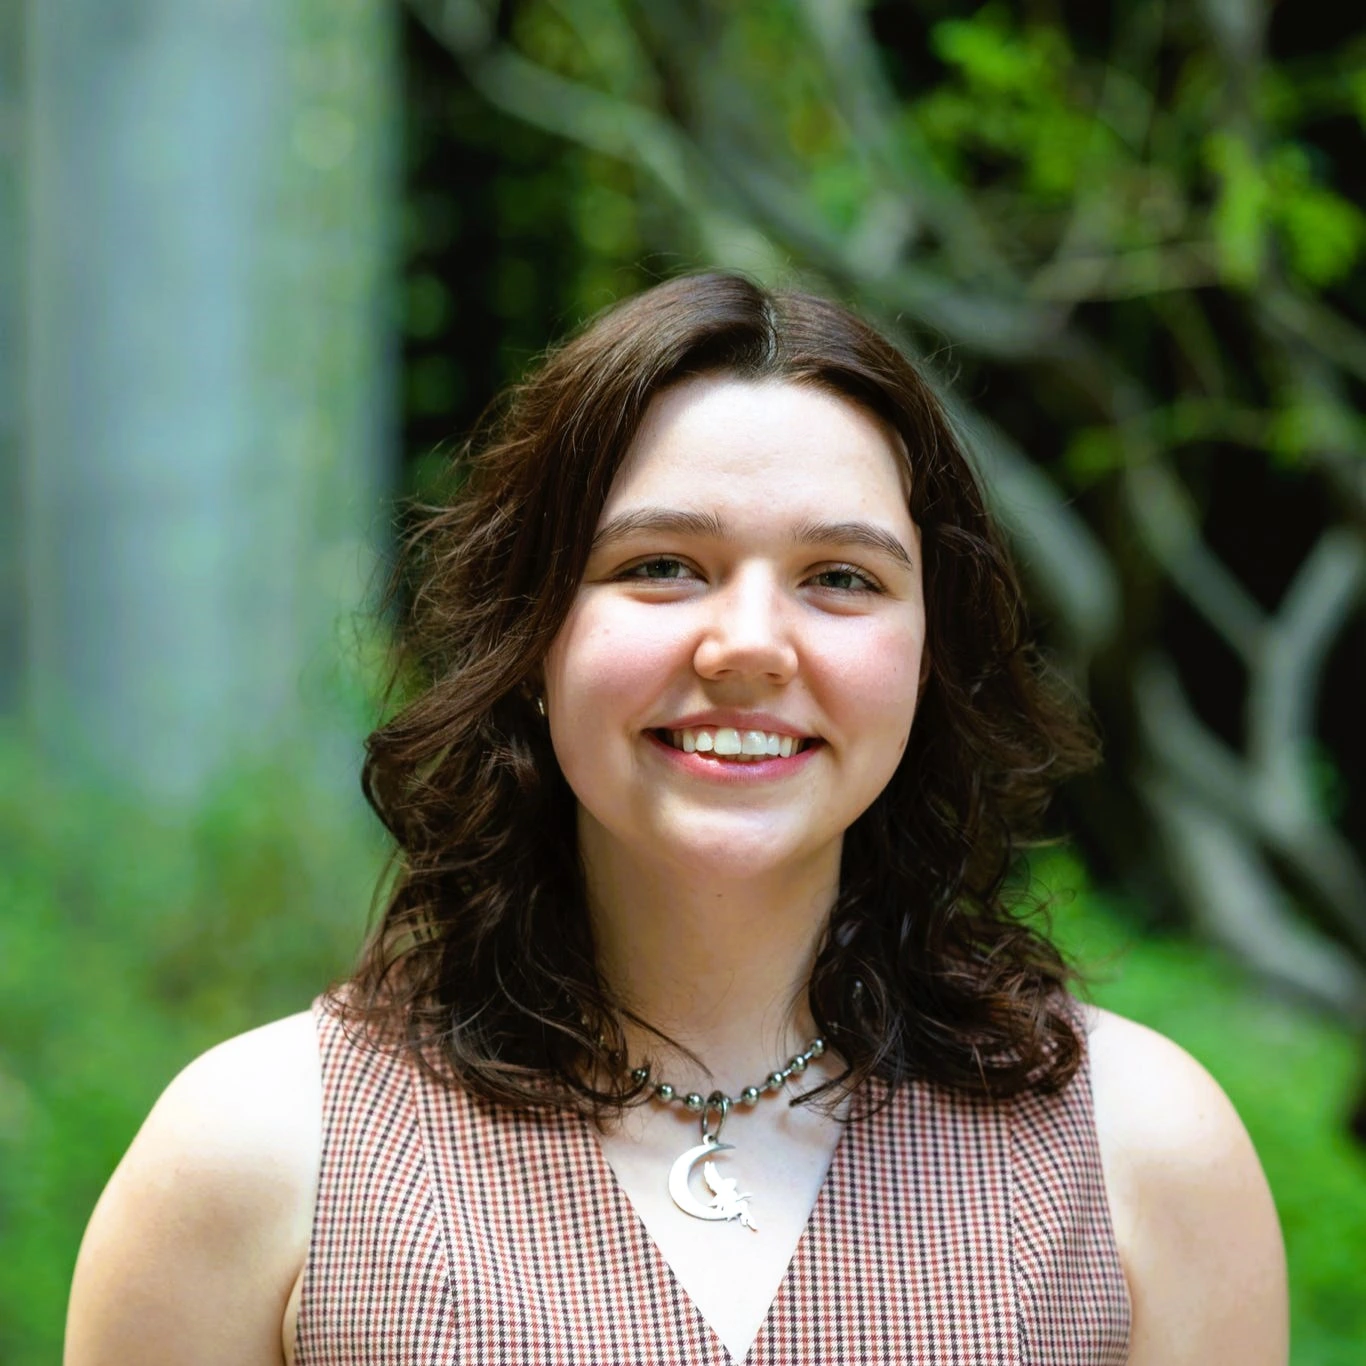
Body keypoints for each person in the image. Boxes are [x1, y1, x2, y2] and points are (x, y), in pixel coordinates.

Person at [65, 272, 1288, 1365]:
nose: (748, 644)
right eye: (661, 564)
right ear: (533, 633)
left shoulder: (1142, 1153)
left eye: (840, 579)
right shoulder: (258, 1156)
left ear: (929, 655)